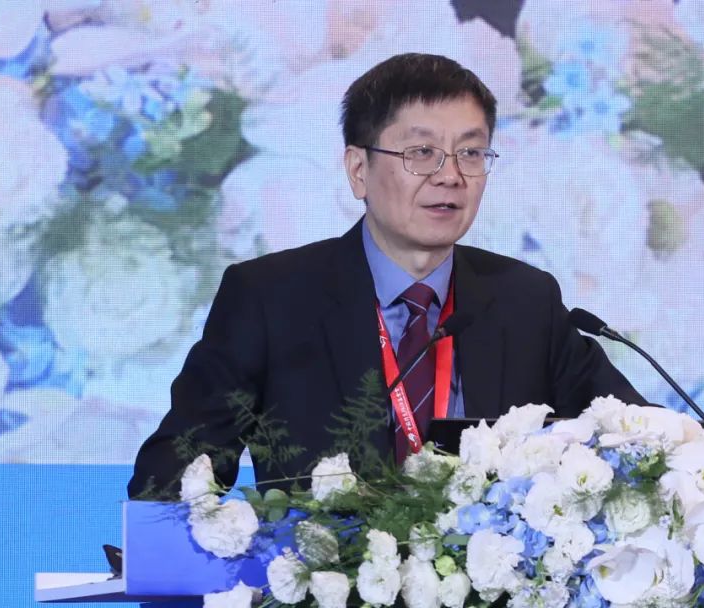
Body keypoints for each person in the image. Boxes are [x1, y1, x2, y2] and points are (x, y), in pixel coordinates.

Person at [128, 53, 648, 499]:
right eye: (421, 153)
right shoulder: (271, 299)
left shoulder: (525, 299)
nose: (451, 175)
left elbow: (640, 438)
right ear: (359, 170)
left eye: (471, 153)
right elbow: (172, 476)